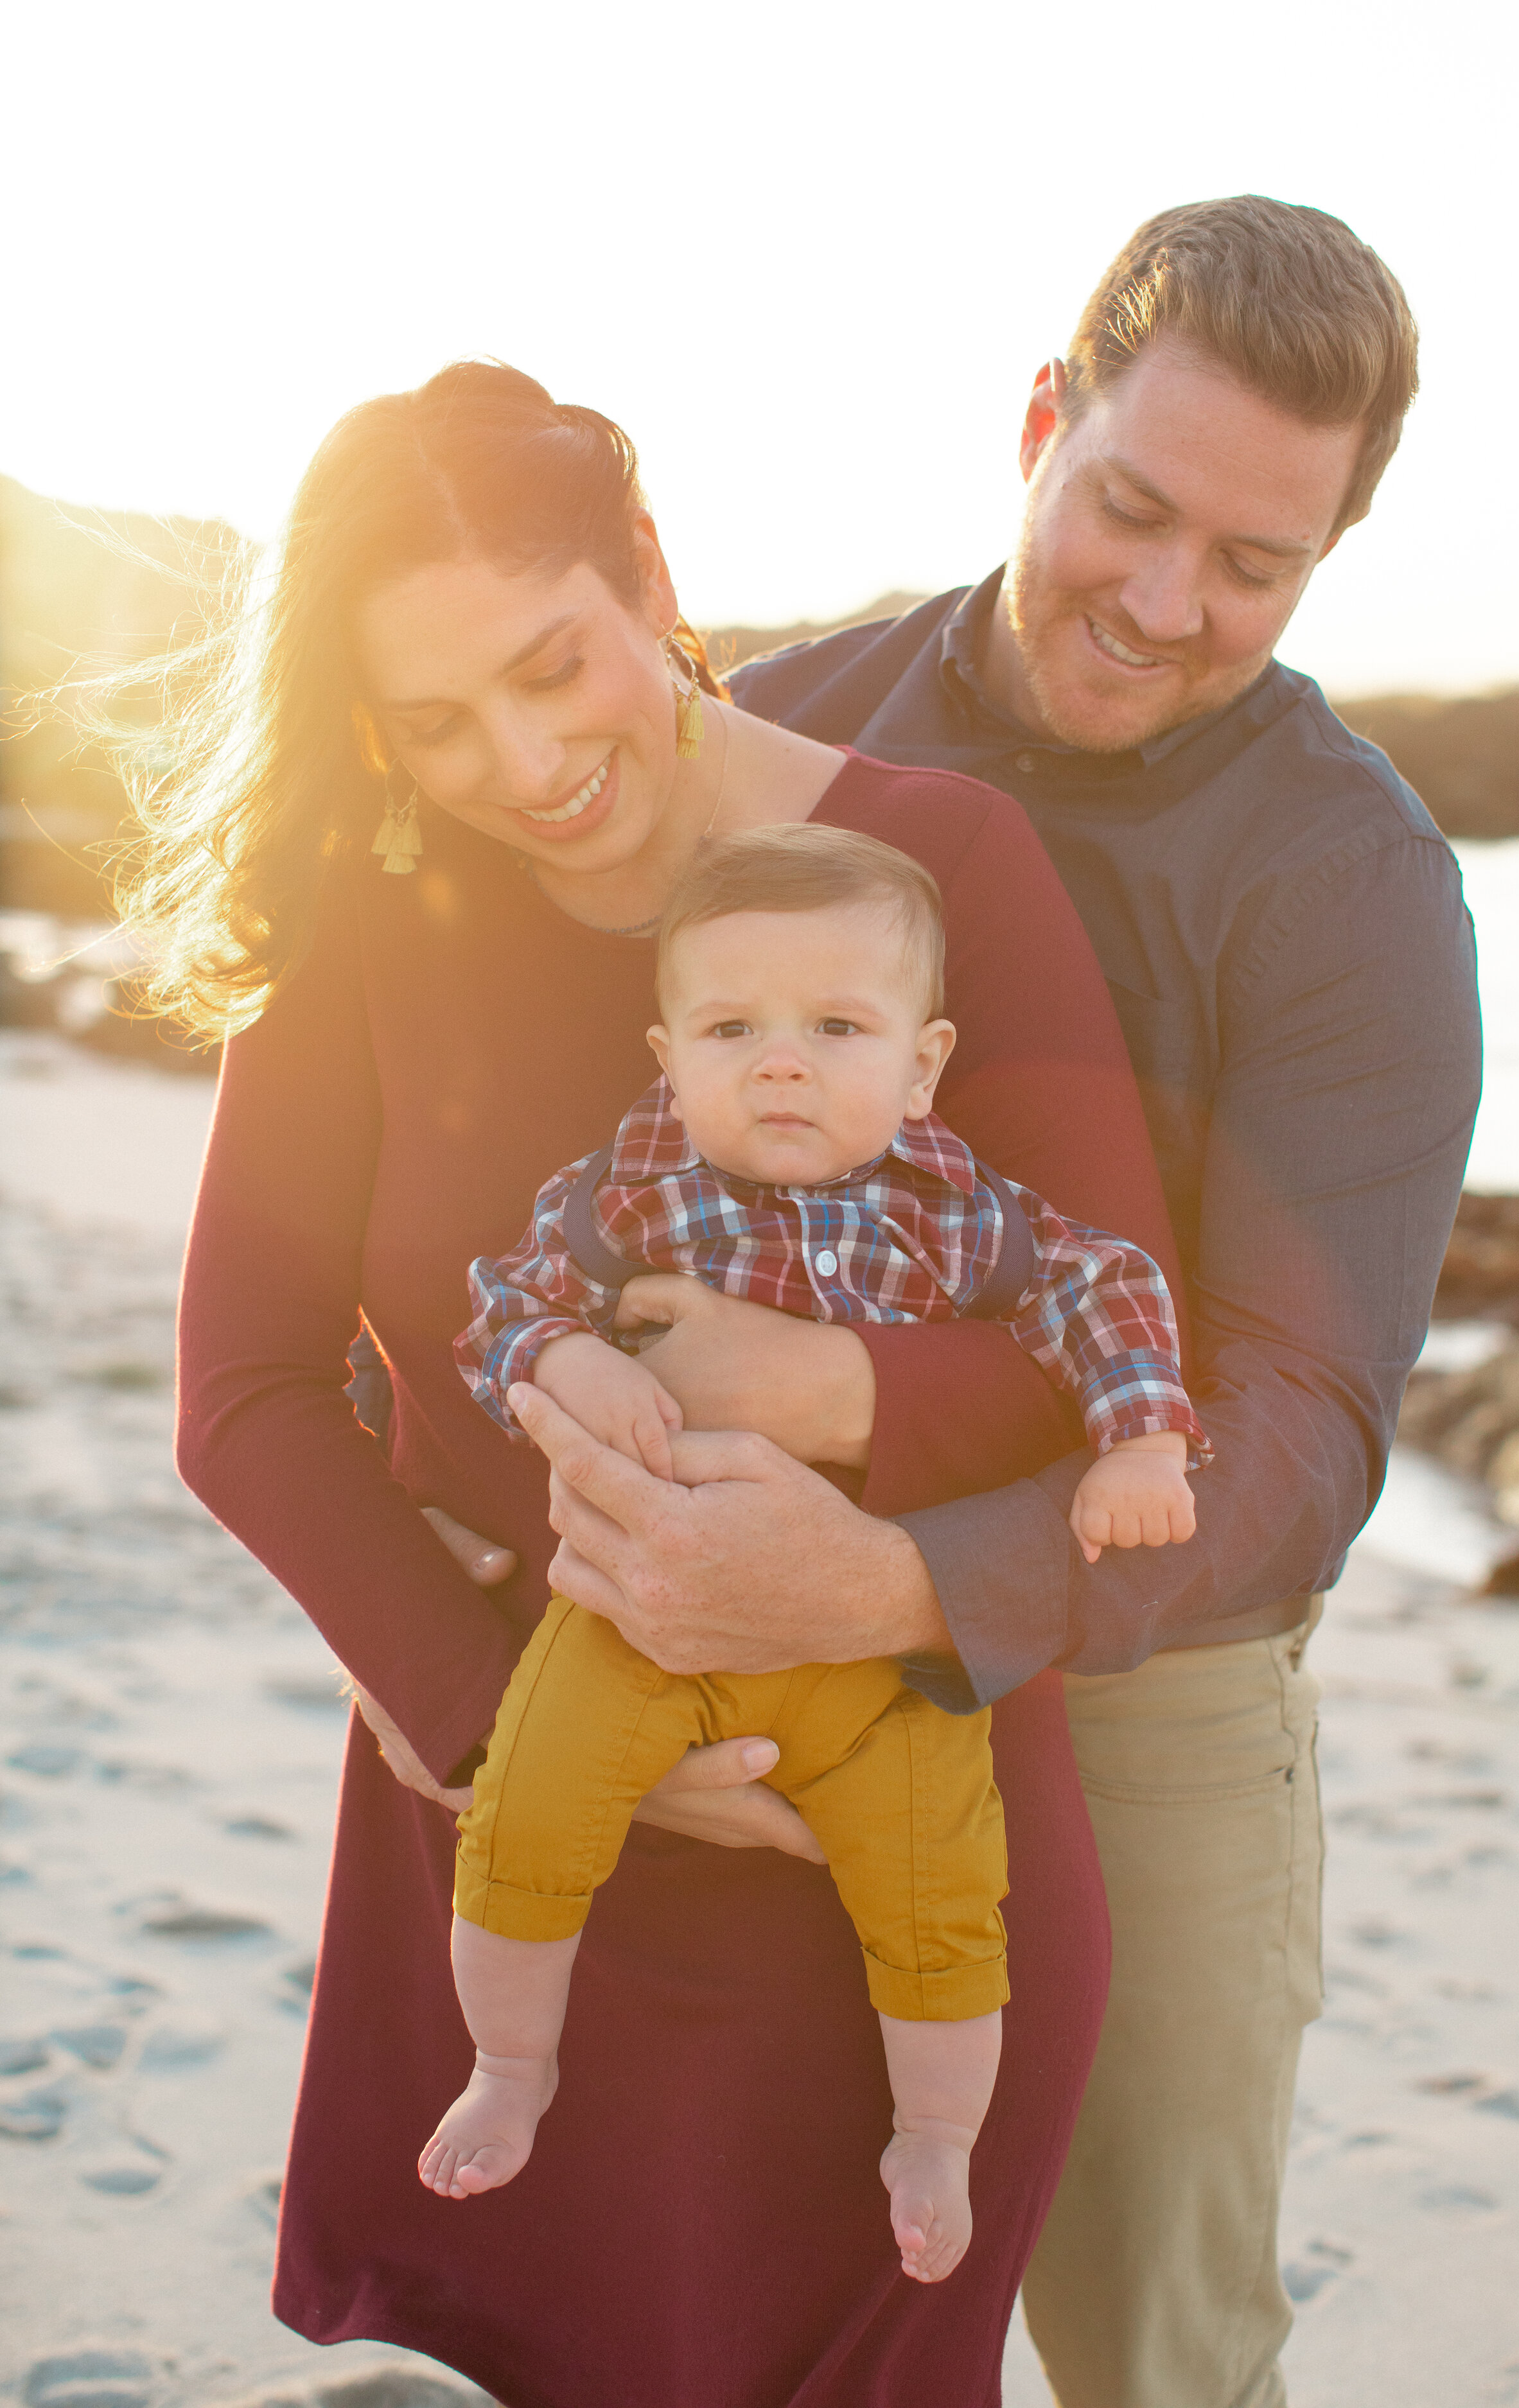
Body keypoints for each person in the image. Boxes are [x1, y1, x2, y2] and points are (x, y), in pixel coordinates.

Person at [515, 198, 1482, 2407]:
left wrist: (889, 1560)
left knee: (1158, 2353)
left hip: (1155, 1698)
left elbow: (1305, 1436)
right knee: (749, 2319)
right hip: (736, 1664)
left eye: (1257, 564)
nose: (1166, 603)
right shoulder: (774, 729)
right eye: (1132, 508)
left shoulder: (1356, 885)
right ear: (1041, 421)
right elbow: (567, 1199)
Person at [147, 359, 1189, 2405]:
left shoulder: (935, 865)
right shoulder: (365, 924)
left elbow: (1122, 1334)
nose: (522, 764)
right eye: (431, 721)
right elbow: (242, 1391)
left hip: (880, 1864)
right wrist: (476, 1697)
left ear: (648, 571)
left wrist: (827, 1395)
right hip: (515, 1844)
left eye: (555, 665)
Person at [424, 824, 1205, 2284]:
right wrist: (559, 1368)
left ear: (919, 1065)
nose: (779, 1063)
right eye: (733, 1029)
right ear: (670, 1055)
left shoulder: (964, 1220)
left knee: (942, 1892)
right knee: (521, 1811)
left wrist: (1140, 1438)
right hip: (635, 1624)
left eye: (835, 1029)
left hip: (872, 1649)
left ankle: (936, 2133)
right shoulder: (625, 1200)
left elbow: (1108, 1286)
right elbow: (497, 1305)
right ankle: (508, 2059)